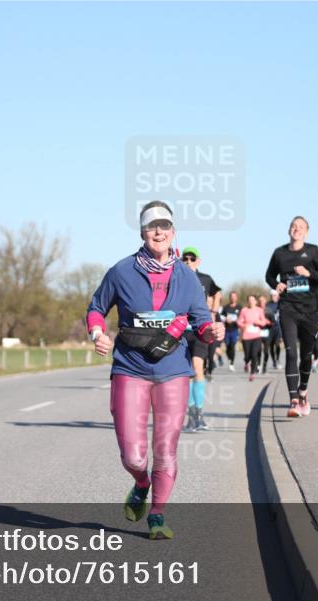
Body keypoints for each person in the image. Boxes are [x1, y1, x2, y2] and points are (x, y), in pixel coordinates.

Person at [87, 201, 225, 539]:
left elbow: (201, 322)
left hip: (173, 371)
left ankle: (158, 516)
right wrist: (97, 333)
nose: (159, 231)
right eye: (152, 226)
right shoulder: (121, 271)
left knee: (165, 449)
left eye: (165, 225)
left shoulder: (187, 278)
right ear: (142, 232)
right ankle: (140, 483)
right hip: (130, 368)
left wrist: (212, 332)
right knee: (134, 455)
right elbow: (96, 309)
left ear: (174, 232)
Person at [265, 215, 318, 417]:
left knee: (306, 355)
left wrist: (308, 274)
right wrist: (275, 284)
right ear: (289, 230)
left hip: (310, 309)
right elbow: (269, 275)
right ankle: (293, 400)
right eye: (293, 226)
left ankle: (303, 391)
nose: (297, 230)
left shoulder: (313, 251)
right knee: (291, 353)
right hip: (288, 308)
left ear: (307, 232)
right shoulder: (280, 253)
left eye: (301, 227)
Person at [179, 247, 222, 432]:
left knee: (197, 368)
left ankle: (199, 413)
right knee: (186, 374)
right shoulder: (176, 277)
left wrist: (212, 312)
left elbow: (217, 293)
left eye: (192, 258)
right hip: (181, 331)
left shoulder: (205, 279)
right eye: (185, 258)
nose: (188, 261)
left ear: (198, 261)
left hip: (200, 331)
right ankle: (191, 416)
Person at [237, 294, 268, 381]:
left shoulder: (259, 310)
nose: (251, 301)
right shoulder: (244, 310)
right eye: (249, 300)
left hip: (256, 336)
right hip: (246, 337)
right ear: (247, 301)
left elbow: (264, 322)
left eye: (252, 300)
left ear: (255, 301)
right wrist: (244, 325)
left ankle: (252, 373)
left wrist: (259, 322)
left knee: (254, 354)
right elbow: (239, 321)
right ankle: (246, 363)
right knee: (247, 356)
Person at [220, 292, 242, 371]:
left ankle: (232, 362)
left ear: (236, 298)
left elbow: (242, 317)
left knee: (232, 346)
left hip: (235, 330)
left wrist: (237, 320)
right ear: (230, 298)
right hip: (226, 330)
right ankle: (229, 358)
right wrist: (226, 319)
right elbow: (221, 316)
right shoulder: (226, 307)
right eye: (231, 297)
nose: (233, 298)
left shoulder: (240, 307)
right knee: (227, 346)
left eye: (234, 296)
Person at [264, 289, 282, 372]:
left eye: (275, 295)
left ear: (278, 296)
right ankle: (274, 361)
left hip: (278, 328)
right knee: (271, 346)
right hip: (270, 328)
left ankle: (277, 359)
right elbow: (264, 315)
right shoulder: (267, 304)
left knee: (277, 344)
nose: (273, 297)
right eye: (272, 296)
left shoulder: (281, 304)